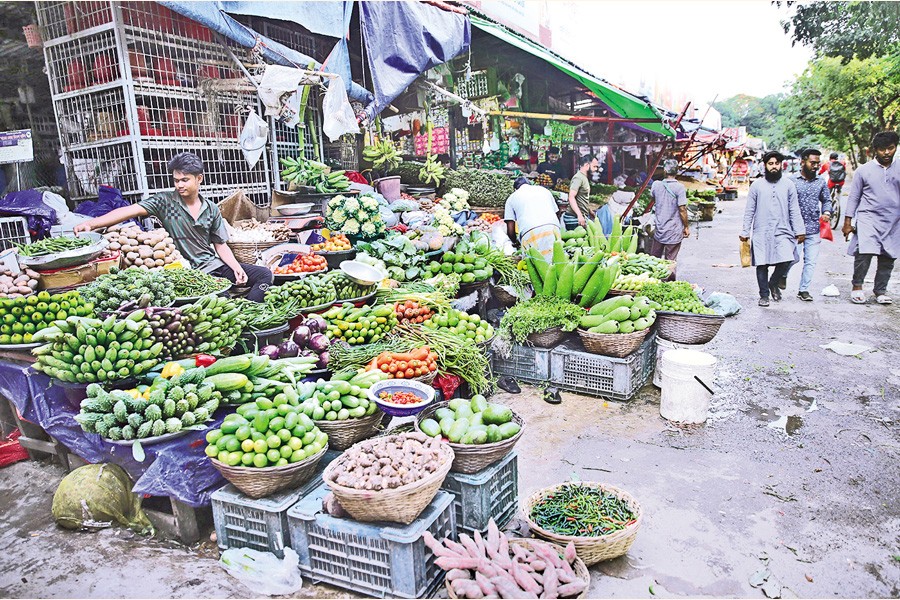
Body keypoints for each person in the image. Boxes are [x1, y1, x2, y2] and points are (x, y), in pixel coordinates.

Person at [74, 152, 273, 302]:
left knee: (265, 275)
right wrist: (91, 223)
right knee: (221, 298)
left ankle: (249, 310)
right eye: (176, 180)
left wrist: (237, 268)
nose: (179, 185)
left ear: (199, 179)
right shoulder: (165, 202)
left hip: (214, 265)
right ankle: (238, 314)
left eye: (185, 180)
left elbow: (220, 245)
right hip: (190, 272)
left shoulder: (211, 208)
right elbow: (129, 211)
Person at [739, 151, 806, 307]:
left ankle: (773, 282)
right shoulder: (756, 185)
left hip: (783, 229)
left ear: (781, 165)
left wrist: (799, 230)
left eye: (776, 164)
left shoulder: (789, 185)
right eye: (771, 164)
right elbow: (749, 210)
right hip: (761, 230)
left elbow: (794, 209)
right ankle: (764, 295)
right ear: (765, 166)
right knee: (762, 264)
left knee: (786, 259)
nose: (774, 167)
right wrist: (745, 231)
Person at [842, 131, 899, 305]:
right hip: (868, 217)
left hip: (894, 220)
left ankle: (880, 290)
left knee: (889, 256)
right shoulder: (863, 171)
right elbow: (854, 197)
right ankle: (857, 287)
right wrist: (847, 222)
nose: (887, 153)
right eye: (882, 149)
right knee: (864, 253)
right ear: (875, 150)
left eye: (890, 148)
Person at [786, 148, 832, 301]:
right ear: (803, 161)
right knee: (791, 258)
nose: (815, 166)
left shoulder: (820, 182)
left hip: (813, 228)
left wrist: (826, 212)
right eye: (812, 162)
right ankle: (781, 276)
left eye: (818, 163)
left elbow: (826, 200)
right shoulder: (791, 181)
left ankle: (804, 290)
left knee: (811, 261)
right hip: (794, 229)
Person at [503, 177, 561, 260]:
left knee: (535, 264)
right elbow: (556, 212)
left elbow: (510, 229)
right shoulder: (544, 190)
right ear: (529, 184)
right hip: (553, 227)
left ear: (515, 189)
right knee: (556, 260)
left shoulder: (512, 198)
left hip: (530, 231)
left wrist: (515, 242)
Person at [649, 159, 690, 262]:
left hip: (659, 229)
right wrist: (686, 226)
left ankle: (653, 278)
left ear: (664, 171)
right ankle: (670, 278)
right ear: (677, 171)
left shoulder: (656, 185)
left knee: (654, 260)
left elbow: (653, 199)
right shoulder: (679, 188)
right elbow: (682, 209)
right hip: (674, 230)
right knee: (670, 261)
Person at [562, 155, 598, 230]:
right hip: (574, 218)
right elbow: (571, 197)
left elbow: (582, 197)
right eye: (594, 166)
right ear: (587, 165)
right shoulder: (578, 178)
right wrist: (579, 215)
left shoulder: (584, 178)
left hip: (579, 217)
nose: (596, 169)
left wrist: (589, 210)